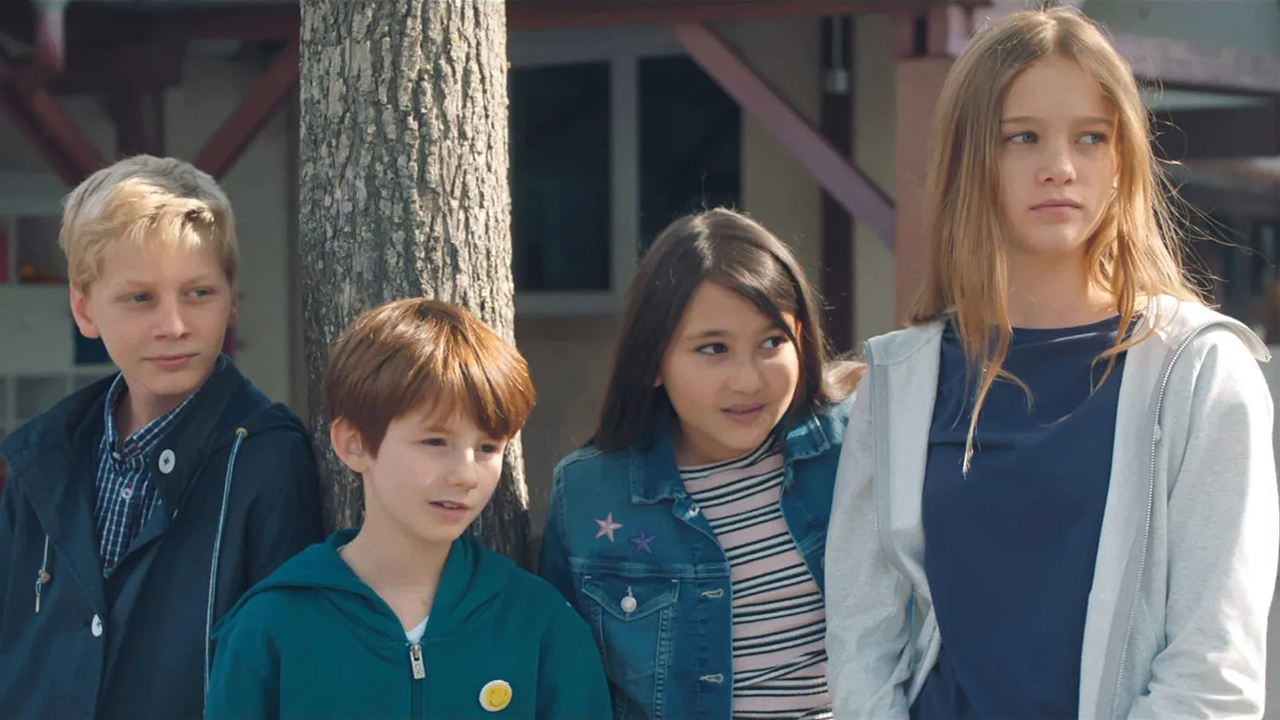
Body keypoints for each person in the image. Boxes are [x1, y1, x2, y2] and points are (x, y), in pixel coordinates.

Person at [824, 8, 1278, 719]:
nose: (1060, 167)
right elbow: (861, 644)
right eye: (1022, 138)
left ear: (1123, 156)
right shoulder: (899, 381)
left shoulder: (1202, 373)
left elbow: (1214, 672)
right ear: (973, 158)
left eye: (1091, 137)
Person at [0, 154, 323, 719]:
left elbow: (288, 668)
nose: (173, 325)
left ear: (232, 296)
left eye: (199, 292)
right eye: (139, 298)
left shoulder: (266, 459)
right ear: (84, 308)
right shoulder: (40, 459)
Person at [205, 298, 612, 720]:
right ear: (354, 444)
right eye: (435, 442)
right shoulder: (270, 626)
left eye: (488, 447)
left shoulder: (539, 623)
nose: (465, 475)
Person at [539, 208, 862, 719]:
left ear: (800, 338)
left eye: (771, 343)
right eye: (713, 349)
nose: (747, 380)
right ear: (651, 362)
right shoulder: (589, 494)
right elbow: (566, 683)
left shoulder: (856, 445)